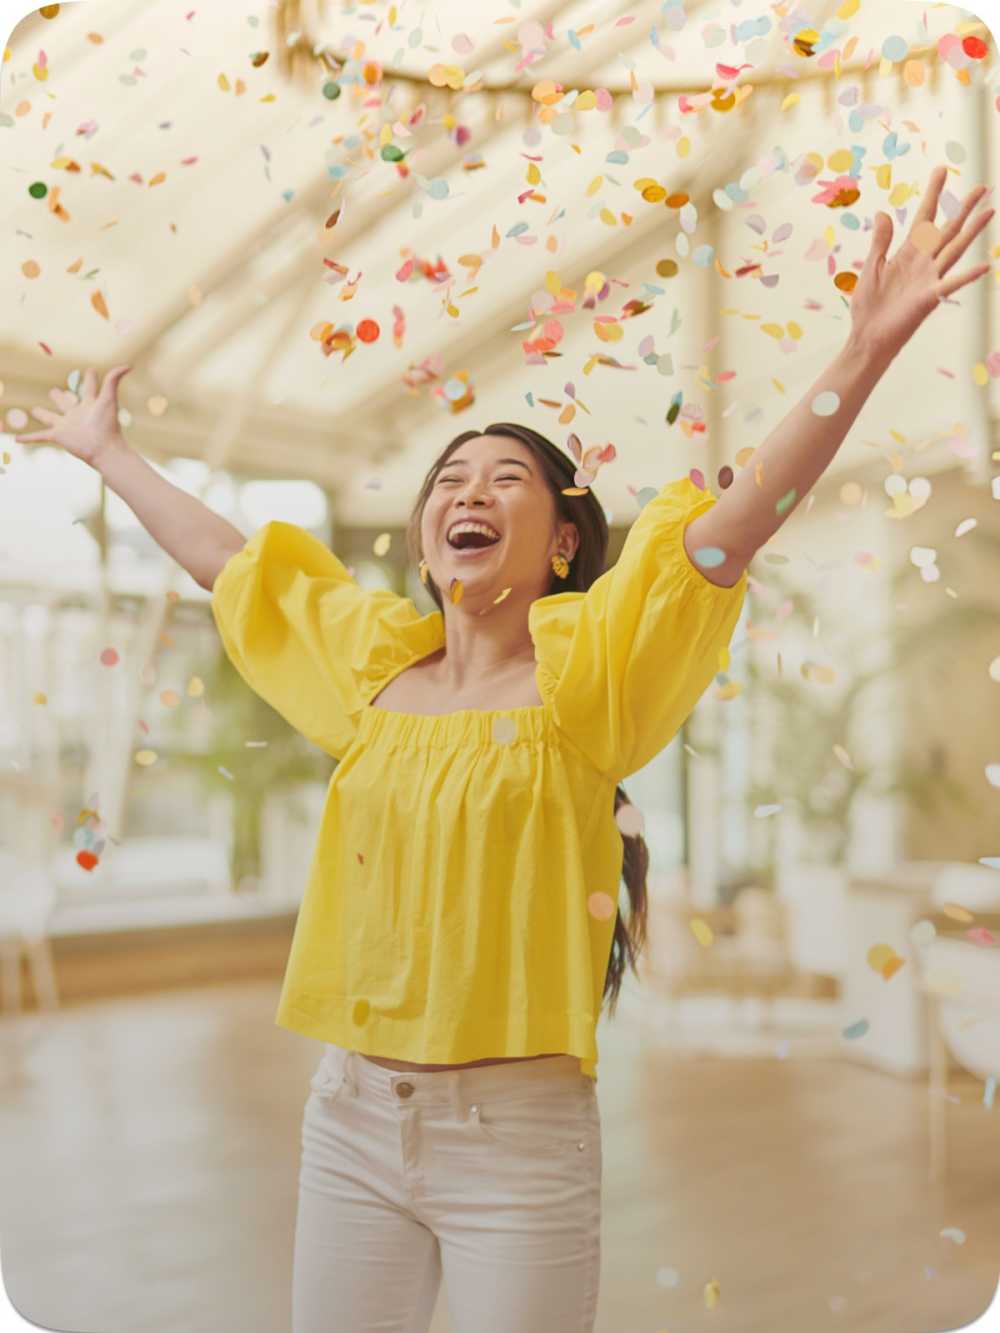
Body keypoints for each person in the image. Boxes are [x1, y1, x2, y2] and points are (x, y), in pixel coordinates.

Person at [15, 163, 992, 1332]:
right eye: (450, 482)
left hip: (518, 1143)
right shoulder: (371, 669)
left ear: (563, 537)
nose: (466, 493)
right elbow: (230, 565)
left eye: (505, 479)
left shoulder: (593, 674)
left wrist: (864, 350)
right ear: (429, 540)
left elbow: (731, 533)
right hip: (350, 1121)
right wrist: (107, 454)